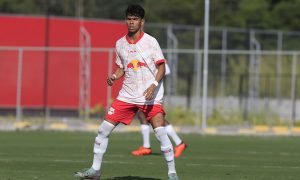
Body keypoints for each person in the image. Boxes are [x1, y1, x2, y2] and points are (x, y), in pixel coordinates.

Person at [74, 4, 179, 180]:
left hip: (150, 97)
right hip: (127, 95)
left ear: (142, 22)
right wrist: (114, 76)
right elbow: (122, 67)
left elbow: (161, 67)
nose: (131, 23)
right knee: (103, 130)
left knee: (160, 133)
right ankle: (95, 170)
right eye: (129, 19)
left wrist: (153, 85)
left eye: (135, 19)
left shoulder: (151, 42)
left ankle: (172, 173)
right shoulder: (120, 44)